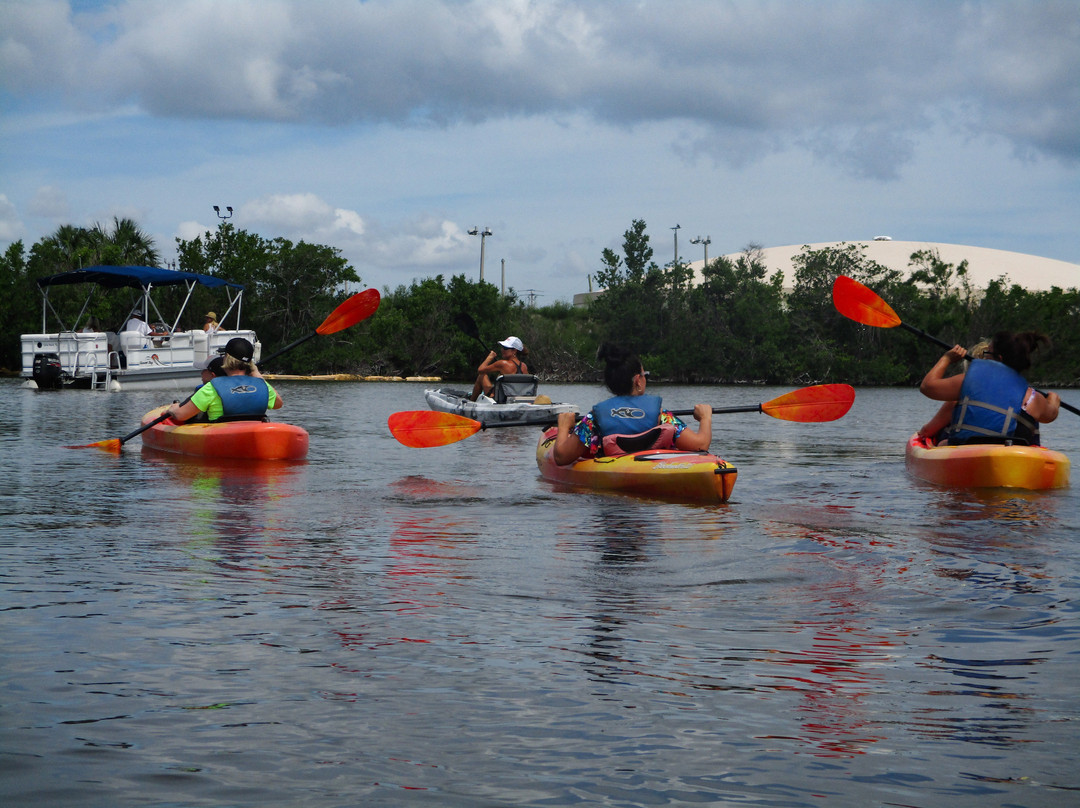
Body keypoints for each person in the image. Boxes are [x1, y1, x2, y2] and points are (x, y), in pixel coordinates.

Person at [552, 343, 712, 465]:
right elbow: (701, 445)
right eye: (644, 375)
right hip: (652, 476)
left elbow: (561, 457)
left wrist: (564, 426)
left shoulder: (594, 419)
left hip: (613, 485)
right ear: (638, 381)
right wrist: (705, 418)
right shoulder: (661, 415)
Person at [918, 330, 1060, 446]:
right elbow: (1050, 415)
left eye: (987, 353)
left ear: (998, 358)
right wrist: (1053, 399)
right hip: (1010, 454)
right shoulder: (1033, 398)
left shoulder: (968, 382)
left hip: (967, 450)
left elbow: (927, 387)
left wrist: (947, 358)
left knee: (942, 443)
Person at [166, 338, 284, 424]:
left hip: (222, 437)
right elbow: (278, 404)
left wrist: (173, 408)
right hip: (254, 432)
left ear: (226, 358)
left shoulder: (212, 387)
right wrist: (256, 374)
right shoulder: (262, 385)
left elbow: (181, 415)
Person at [469, 336, 529, 401]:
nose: (502, 350)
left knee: (481, 376)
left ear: (514, 351)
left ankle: (471, 402)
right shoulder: (524, 366)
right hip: (514, 399)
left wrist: (490, 357)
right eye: (502, 347)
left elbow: (480, 370)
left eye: (505, 348)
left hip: (498, 399)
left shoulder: (502, 363)